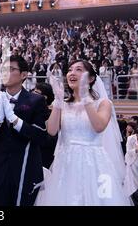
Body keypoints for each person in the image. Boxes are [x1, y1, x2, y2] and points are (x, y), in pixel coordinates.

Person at [36, 60, 130, 205]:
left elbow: (98, 126)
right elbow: (52, 130)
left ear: (91, 78)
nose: (72, 73)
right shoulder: (64, 103)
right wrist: (58, 100)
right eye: (70, 70)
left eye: (79, 70)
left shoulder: (103, 103)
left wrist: (86, 98)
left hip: (92, 161)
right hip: (65, 161)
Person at [0, 55, 48, 206]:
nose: (5, 73)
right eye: (3, 69)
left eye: (11, 69)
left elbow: (41, 137)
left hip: (25, 171)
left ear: (24, 75)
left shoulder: (35, 100)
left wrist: (15, 120)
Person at [33, 82, 57, 169]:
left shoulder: (51, 114)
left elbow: (51, 138)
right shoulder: (31, 109)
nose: (32, 94)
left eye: (36, 92)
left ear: (44, 97)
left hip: (43, 155)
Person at [124, 127, 138, 196]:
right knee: (133, 179)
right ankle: (133, 194)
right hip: (133, 160)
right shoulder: (130, 138)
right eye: (137, 136)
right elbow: (128, 151)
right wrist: (136, 150)